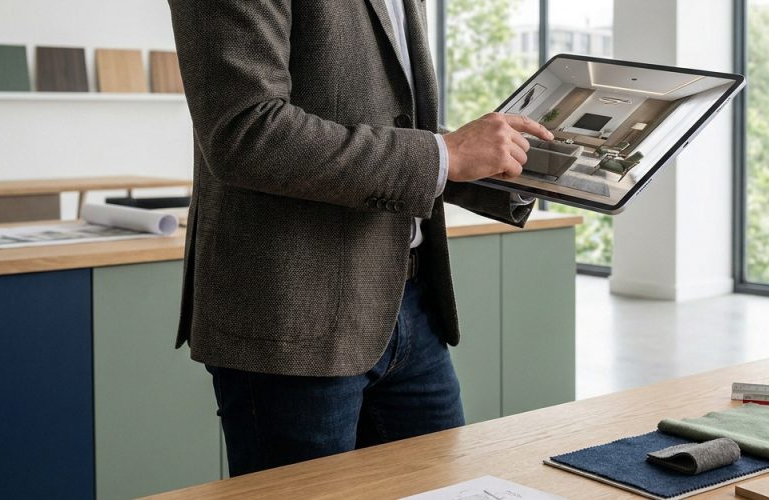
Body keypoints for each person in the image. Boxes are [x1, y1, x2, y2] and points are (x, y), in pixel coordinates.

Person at [168, 0, 553, 476]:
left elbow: (391, 124)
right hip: (293, 318)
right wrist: (445, 153)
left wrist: (526, 169)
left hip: (412, 306)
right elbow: (247, 132)